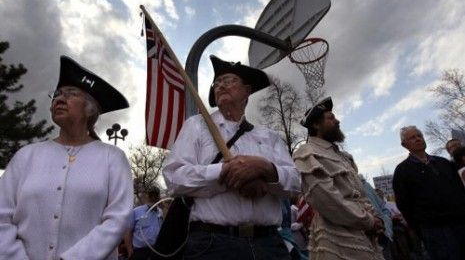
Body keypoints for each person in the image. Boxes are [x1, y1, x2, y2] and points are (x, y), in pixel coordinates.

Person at [163, 55, 301, 260]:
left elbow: (296, 182)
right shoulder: (197, 126)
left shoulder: (269, 136)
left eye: (229, 81)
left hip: (269, 244)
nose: (221, 86)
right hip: (212, 244)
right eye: (217, 83)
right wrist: (223, 171)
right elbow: (174, 178)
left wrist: (266, 170)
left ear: (247, 91)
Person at [0, 56, 134, 260]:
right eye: (57, 94)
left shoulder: (113, 158)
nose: (59, 99)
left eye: (71, 94)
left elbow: (118, 219)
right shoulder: (26, 156)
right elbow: (2, 216)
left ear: (90, 109)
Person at [293, 97, 384, 260]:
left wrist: (374, 219)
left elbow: (360, 195)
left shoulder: (344, 156)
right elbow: (327, 199)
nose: (337, 121)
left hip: (365, 234)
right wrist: (368, 222)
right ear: (315, 125)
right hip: (336, 239)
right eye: (331, 118)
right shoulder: (306, 153)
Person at [393, 126, 465, 260]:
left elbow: (460, 189)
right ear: (404, 145)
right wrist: (421, 229)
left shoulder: (443, 163)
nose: (418, 139)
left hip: (460, 222)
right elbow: (404, 205)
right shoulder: (402, 171)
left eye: (419, 135)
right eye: (413, 137)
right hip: (435, 232)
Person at [124, 187, 163, 260]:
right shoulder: (136, 211)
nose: (153, 197)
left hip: (157, 251)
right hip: (140, 252)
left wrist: (164, 207)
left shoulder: (161, 212)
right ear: (147, 196)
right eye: (151, 195)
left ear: (159, 197)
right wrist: (129, 251)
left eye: (156, 195)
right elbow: (128, 231)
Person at [360, 177, 393, 260]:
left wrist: (385, 221)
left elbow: (383, 207)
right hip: (366, 242)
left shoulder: (365, 185)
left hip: (383, 235)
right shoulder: (344, 187)